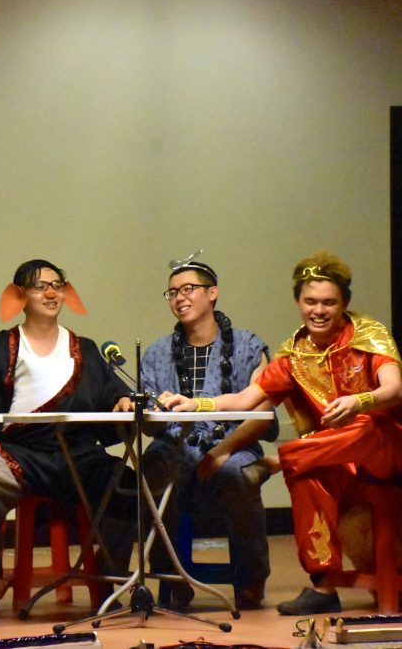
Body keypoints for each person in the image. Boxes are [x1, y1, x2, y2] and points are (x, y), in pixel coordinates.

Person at [162, 251, 402, 615]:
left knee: (364, 425)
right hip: (333, 457)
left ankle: (280, 460)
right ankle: (323, 585)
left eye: (329, 302)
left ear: (344, 304)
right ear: (298, 302)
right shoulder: (293, 354)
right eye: (310, 301)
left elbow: (393, 391)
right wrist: (196, 403)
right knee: (307, 477)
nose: (319, 310)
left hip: (388, 451)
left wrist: (359, 401)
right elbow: (246, 399)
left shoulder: (368, 334)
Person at [0, 259, 138, 618]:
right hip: (22, 453)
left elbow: (112, 393)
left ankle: (109, 575)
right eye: (40, 286)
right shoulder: (1, 347)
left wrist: (122, 400)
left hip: (80, 455)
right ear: (20, 295)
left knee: (126, 485)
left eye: (57, 285)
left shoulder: (85, 348)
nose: (51, 293)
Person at [139, 255, 278, 611]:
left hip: (234, 445)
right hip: (175, 446)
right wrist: (149, 410)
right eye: (172, 292)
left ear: (212, 293)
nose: (179, 298)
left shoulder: (249, 346)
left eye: (188, 289)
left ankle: (250, 579)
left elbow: (262, 416)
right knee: (153, 465)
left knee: (235, 474)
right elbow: (148, 419)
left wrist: (222, 450)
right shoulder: (156, 353)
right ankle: (171, 578)